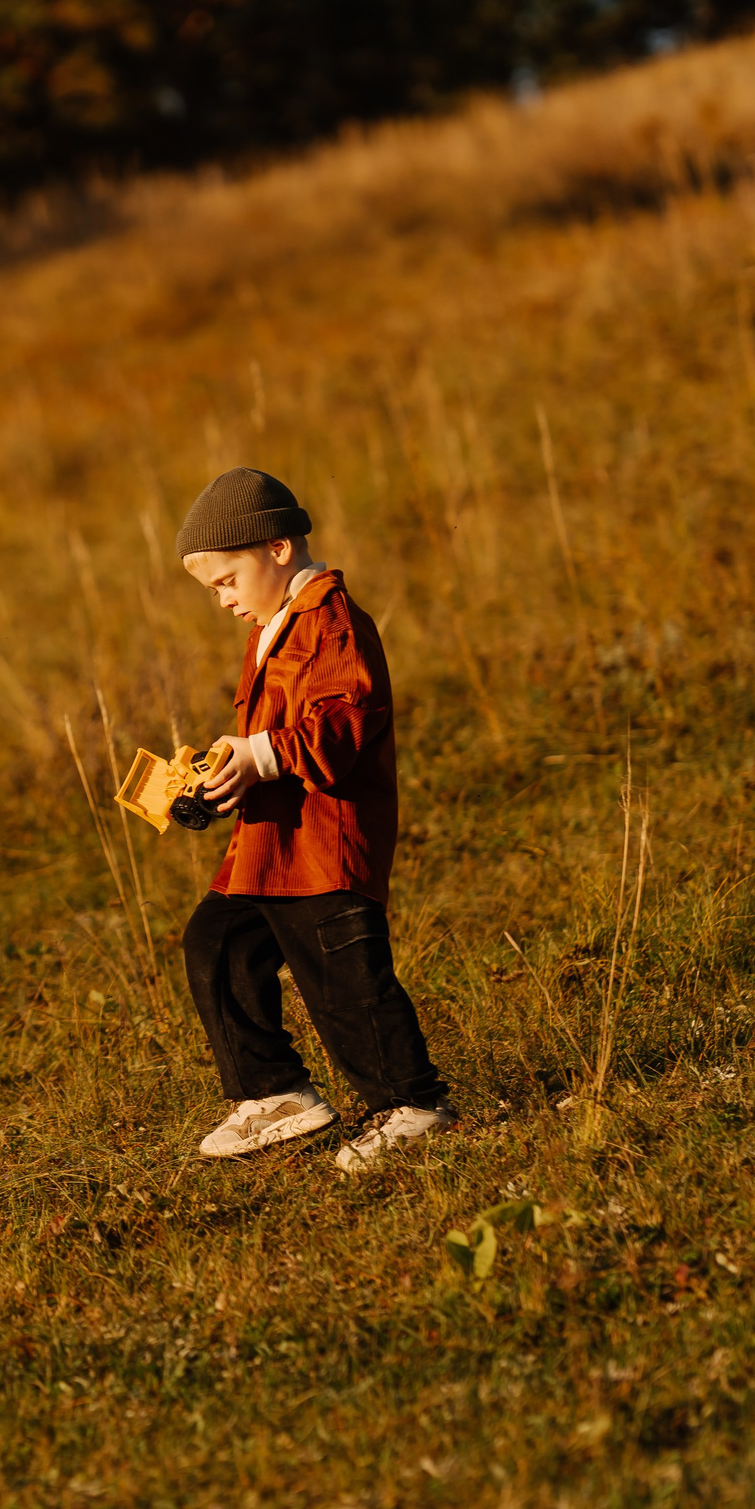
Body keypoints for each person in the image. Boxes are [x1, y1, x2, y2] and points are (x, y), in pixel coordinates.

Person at [172, 468, 454, 1171]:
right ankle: (276, 1094)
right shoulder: (274, 627)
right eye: (215, 591)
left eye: (228, 580)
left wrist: (262, 755)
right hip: (269, 845)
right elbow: (269, 737)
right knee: (216, 945)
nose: (225, 599)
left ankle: (412, 1103)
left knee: (344, 981)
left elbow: (344, 720)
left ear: (275, 547)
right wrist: (218, 777)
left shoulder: (332, 620)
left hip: (323, 843)